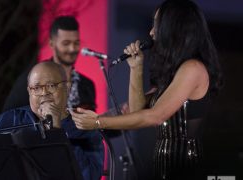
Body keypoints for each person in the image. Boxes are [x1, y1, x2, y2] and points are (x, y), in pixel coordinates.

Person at [70, 0, 222, 180]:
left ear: (174, 27)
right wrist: (136, 68)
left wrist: (97, 123)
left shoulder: (193, 68)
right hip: (165, 168)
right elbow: (137, 110)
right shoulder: (175, 72)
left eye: (157, 25)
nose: (151, 32)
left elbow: (155, 116)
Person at [3, 15, 96, 112]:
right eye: (66, 43)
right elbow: (9, 117)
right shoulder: (33, 78)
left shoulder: (87, 85)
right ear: (52, 44)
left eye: (76, 43)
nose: (72, 49)